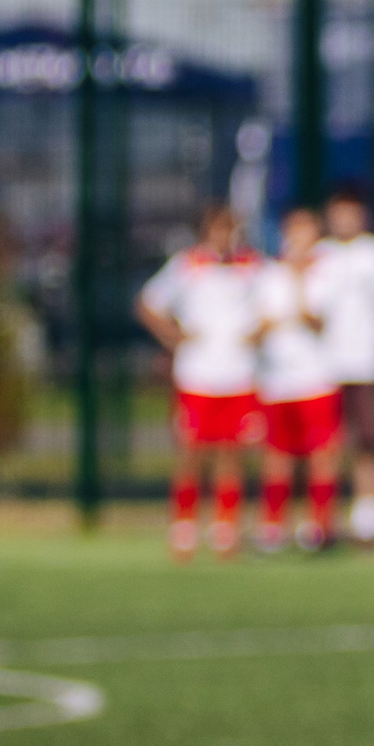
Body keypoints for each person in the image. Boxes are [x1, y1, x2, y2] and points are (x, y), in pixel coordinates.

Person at [138, 204, 266, 562]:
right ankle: (184, 526)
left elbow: (276, 304)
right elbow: (148, 304)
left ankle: (226, 528)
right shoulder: (186, 266)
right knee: (191, 452)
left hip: (239, 376)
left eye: (230, 230)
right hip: (197, 377)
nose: (224, 238)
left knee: (232, 452)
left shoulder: (253, 267)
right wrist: (172, 336)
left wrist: (260, 332)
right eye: (218, 230)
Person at [310, 188, 374, 546]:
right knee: (327, 446)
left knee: (370, 443)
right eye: (339, 212)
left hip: (367, 364)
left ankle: (369, 520)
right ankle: (323, 520)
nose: (345, 220)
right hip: (324, 367)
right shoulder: (319, 255)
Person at [251, 207, 342, 553]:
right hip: (277, 381)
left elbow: (316, 320)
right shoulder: (267, 274)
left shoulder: (327, 272)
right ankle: (273, 526)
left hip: (316, 378)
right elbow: (259, 324)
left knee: (321, 454)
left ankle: (319, 526)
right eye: (294, 232)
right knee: (277, 456)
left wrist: (299, 282)